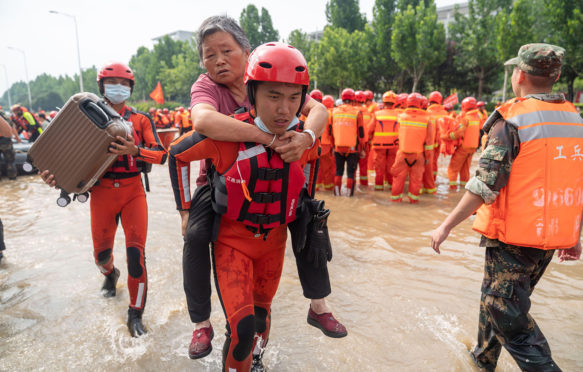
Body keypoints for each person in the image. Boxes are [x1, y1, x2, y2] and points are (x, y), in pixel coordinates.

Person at [181, 15, 345, 361]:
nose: (219, 60)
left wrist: (305, 137)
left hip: (274, 177)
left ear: (247, 52)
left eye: (227, 50)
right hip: (221, 179)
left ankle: (318, 304)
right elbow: (202, 121)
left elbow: (317, 110)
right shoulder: (207, 87)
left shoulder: (275, 77)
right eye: (209, 55)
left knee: (309, 219)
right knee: (194, 235)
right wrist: (265, 136)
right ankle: (201, 321)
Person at [431, 43, 582, 372]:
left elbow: (484, 185)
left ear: (521, 75)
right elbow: (575, 180)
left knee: (504, 310)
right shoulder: (574, 119)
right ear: (555, 76)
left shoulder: (513, 120)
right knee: (496, 302)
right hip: (550, 238)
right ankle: (482, 363)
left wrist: (445, 225)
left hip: (515, 237)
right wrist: (575, 234)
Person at [40, 62, 167, 337]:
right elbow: (61, 156)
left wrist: (136, 150)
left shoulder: (141, 120)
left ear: (130, 88)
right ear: (101, 87)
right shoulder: (81, 117)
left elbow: (162, 155)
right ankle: (110, 275)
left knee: (137, 256)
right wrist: (52, 176)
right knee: (101, 256)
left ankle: (135, 314)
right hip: (101, 194)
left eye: (124, 83)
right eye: (113, 83)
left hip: (133, 192)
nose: (118, 88)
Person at [390, 93, 433, 203]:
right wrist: (427, 157)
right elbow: (429, 142)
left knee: (398, 179)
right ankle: (413, 202)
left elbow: (396, 136)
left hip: (402, 154)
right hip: (418, 155)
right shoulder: (427, 119)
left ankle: (395, 201)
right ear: (420, 103)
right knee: (416, 180)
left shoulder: (400, 117)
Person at [331, 88, 365, 196]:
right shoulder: (357, 113)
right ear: (353, 99)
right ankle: (349, 196)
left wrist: (332, 146)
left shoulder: (334, 111)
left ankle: (337, 195)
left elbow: (330, 132)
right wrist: (362, 148)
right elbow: (361, 134)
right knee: (350, 174)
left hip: (337, 148)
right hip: (352, 149)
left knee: (338, 172)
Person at [447, 97, 481, 190]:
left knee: (453, 168)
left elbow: (459, 133)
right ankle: (464, 188)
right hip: (473, 148)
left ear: (464, 106)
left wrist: (449, 136)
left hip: (463, 147)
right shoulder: (478, 117)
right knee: (465, 169)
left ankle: (452, 188)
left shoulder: (465, 118)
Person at [368, 91, 399, 191]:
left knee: (379, 169)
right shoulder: (398, 115)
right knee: (391, 168)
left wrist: (367, 141)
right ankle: (391, 187)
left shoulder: (377, 114)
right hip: (394, 146)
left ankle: (379, 190)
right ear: (394, 102)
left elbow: (369, 130)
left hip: (379, 146)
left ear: (384, 102)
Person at [424, 91, 449, 193]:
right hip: (441, 142)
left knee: (428, 163)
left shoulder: (427, 113)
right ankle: (433, 180)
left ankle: (428, 184)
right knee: (435, 163)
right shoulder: (445, 113)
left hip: (430, 143)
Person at [315, 94, 336, 191]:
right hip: (326, 145)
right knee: (327, 168)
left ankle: (315, 187)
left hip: (312, 143)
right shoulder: (330, 114)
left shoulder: (308, 112)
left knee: (315, 167)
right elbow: (332, 131)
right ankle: (328, 187)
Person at [0, 111, 19, 180]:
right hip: (5, 141)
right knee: (10, 161)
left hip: (4, 139)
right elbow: (11, 126)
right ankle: (12, 179)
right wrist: (17, 138)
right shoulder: (2, 114)